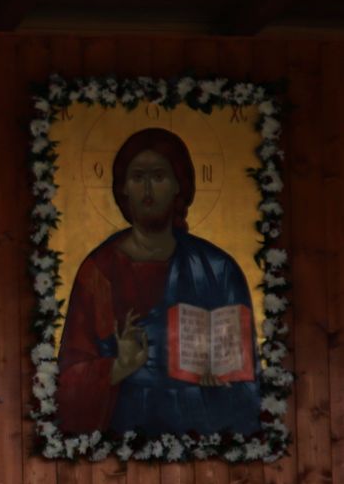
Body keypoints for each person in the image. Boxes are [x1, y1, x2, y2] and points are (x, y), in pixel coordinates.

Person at [55, 127, 260, 437]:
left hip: (199, 428)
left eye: (159, 176)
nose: (148, 189)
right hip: (125, 428)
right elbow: (69, 376)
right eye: (138, 177)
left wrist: (222, 381)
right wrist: (118, 367)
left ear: (179, 185)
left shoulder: (217, 268)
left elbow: (248, 382)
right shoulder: (99, 271)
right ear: (123, 188)